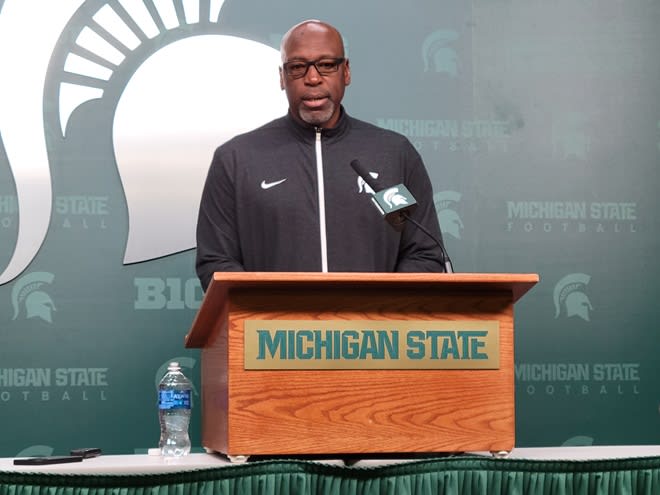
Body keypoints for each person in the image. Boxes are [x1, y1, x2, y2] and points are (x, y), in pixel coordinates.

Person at [196, 19, 447, 291]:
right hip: (275, 332)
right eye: (297, 68)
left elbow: (424, 254)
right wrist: (270, 313)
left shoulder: (394, 153)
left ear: (346, 72)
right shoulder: (236, 158)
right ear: (282, 77)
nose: (313, 78)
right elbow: (216, 262)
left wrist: (377, 309)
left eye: (326, 65)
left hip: (373, 331)